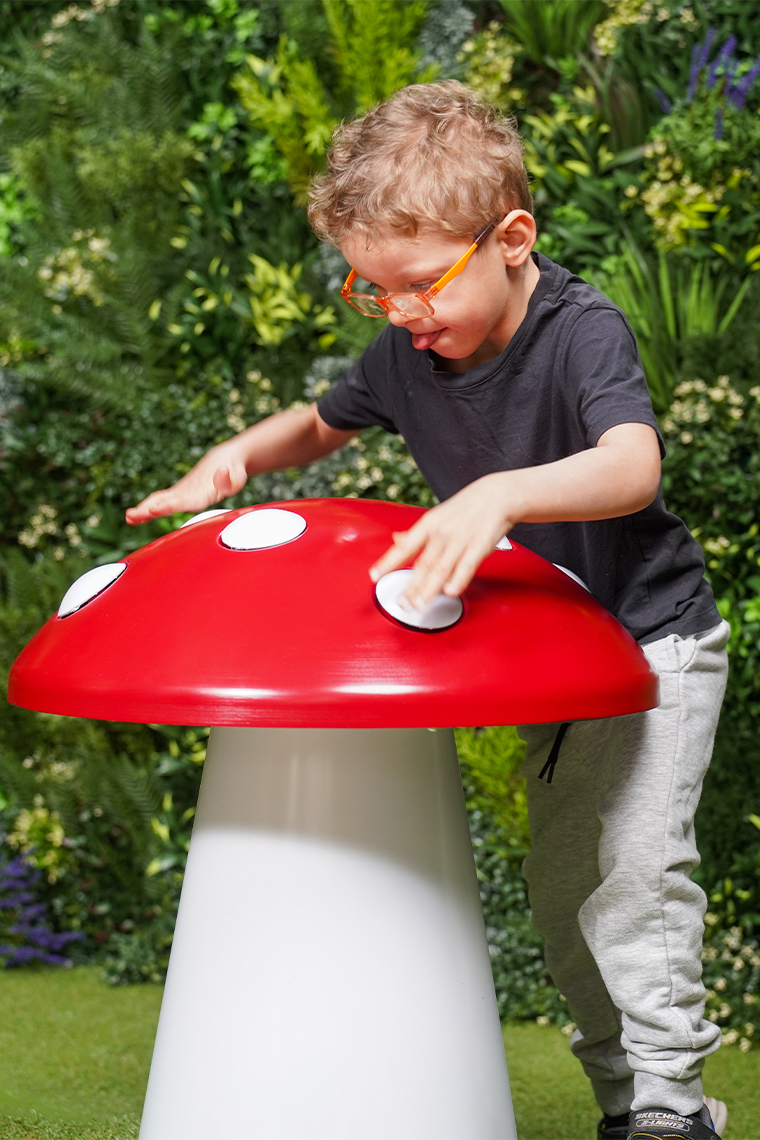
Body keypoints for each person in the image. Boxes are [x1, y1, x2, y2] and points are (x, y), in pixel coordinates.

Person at [127, 81, 729, 1140]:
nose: (401, 313)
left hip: (651, 647)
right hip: (567, 661)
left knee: (632, 884)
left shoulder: (578, 331)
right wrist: (231, 462)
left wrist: (499, 492)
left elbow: (631, 466)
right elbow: (318, 426)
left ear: (510, 237)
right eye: (372, 291)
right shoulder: (408, 355)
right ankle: (628, 1104)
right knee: (562, 907)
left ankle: (669, 1112)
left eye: (418, 285)